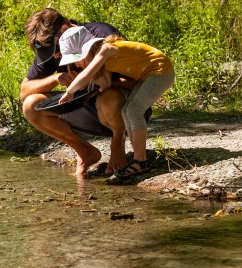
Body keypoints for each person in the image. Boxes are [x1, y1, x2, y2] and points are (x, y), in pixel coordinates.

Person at [21, 8, 137, 177]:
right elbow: (24, 91)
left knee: (108, 97)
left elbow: (138, 81)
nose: (56, 56)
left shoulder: (103, 35)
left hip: (123, 110)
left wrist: (96, 80)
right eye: (50, 53)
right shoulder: (51, 50)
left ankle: (117, 145)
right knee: (31, 105)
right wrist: (57, 78)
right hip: (88, 110)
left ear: (64, 29)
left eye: (56, 50)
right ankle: (85, 152)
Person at [58, 26, 175, 179]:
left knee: (134, 110)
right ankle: (138, 157)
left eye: (77, 59)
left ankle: (141, 161)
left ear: (86, 50)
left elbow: (87, 74)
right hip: (150, 74)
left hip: (160, 71)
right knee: (127, 111)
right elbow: (105, 83)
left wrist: (69, 92)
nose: (77, 65)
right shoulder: (104, 57)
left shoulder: (105, 50)